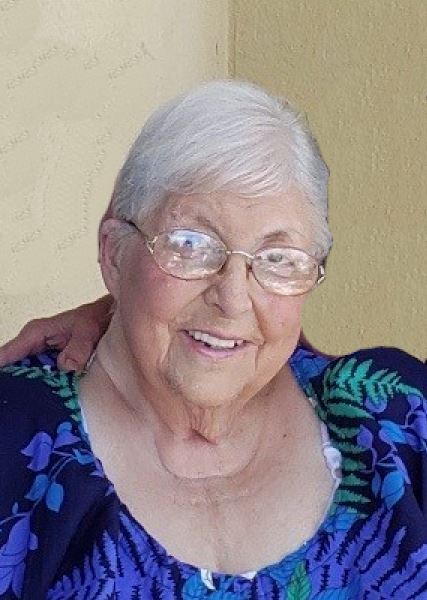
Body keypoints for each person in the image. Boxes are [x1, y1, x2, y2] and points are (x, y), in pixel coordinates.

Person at [0, 80, 426, 600]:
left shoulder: (398, 419)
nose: (233, 298)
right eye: (190, 245)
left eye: (278, 258)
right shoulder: (17, 443)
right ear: (114, 253)